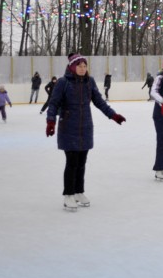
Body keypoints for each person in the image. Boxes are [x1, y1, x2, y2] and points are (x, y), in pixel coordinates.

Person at [46, 54, 126, 211]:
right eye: (79, 66)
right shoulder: (63, 82)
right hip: (68, 126)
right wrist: (50, 121)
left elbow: (99, 102)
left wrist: (113, 115)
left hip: (86, 127)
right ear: (72, 67)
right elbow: (53, 103)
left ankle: (78, 192)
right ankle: (68, 194)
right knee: (72, 162)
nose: (82, 69)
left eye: (84, 66)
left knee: (82, 162)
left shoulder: (90, 82)